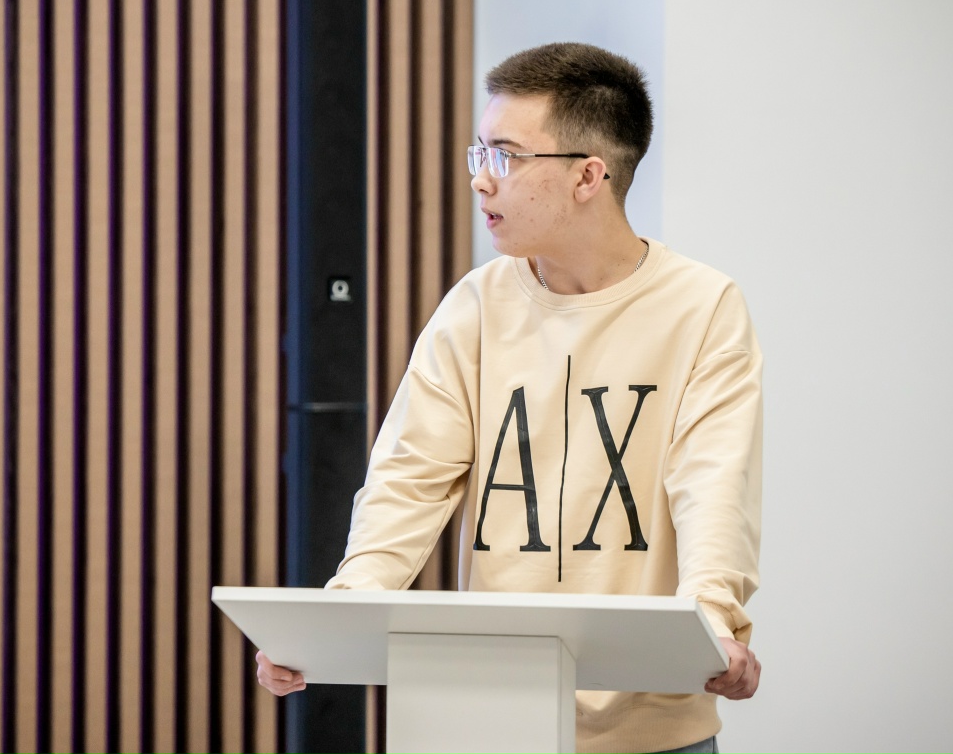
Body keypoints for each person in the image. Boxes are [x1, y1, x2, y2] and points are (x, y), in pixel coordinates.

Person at [258, 42, 762, 754]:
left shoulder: (702, 307)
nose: (481, 180)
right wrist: (342, 615)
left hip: (654, 728)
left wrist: (713, 621)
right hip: (491, 713)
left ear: (589, 175)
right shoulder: (476, 305)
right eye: (481, 153)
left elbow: (713, 487)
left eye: (506, 156)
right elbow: (408, 479)